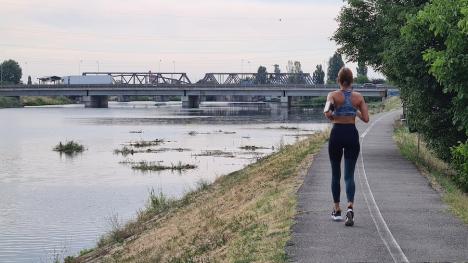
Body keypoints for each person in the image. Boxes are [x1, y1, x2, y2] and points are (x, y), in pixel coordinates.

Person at [323, 67, 369, 226]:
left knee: (336, 174)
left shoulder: (333, 95)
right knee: (349, 175)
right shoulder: (358, 97)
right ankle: (350, 206)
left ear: (338, 80)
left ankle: (337, 210)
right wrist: (354, 111)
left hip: (337, 133)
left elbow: (327, 112)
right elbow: (366, 118)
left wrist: (333, 117)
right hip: (351, 134)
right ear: (352, 80)